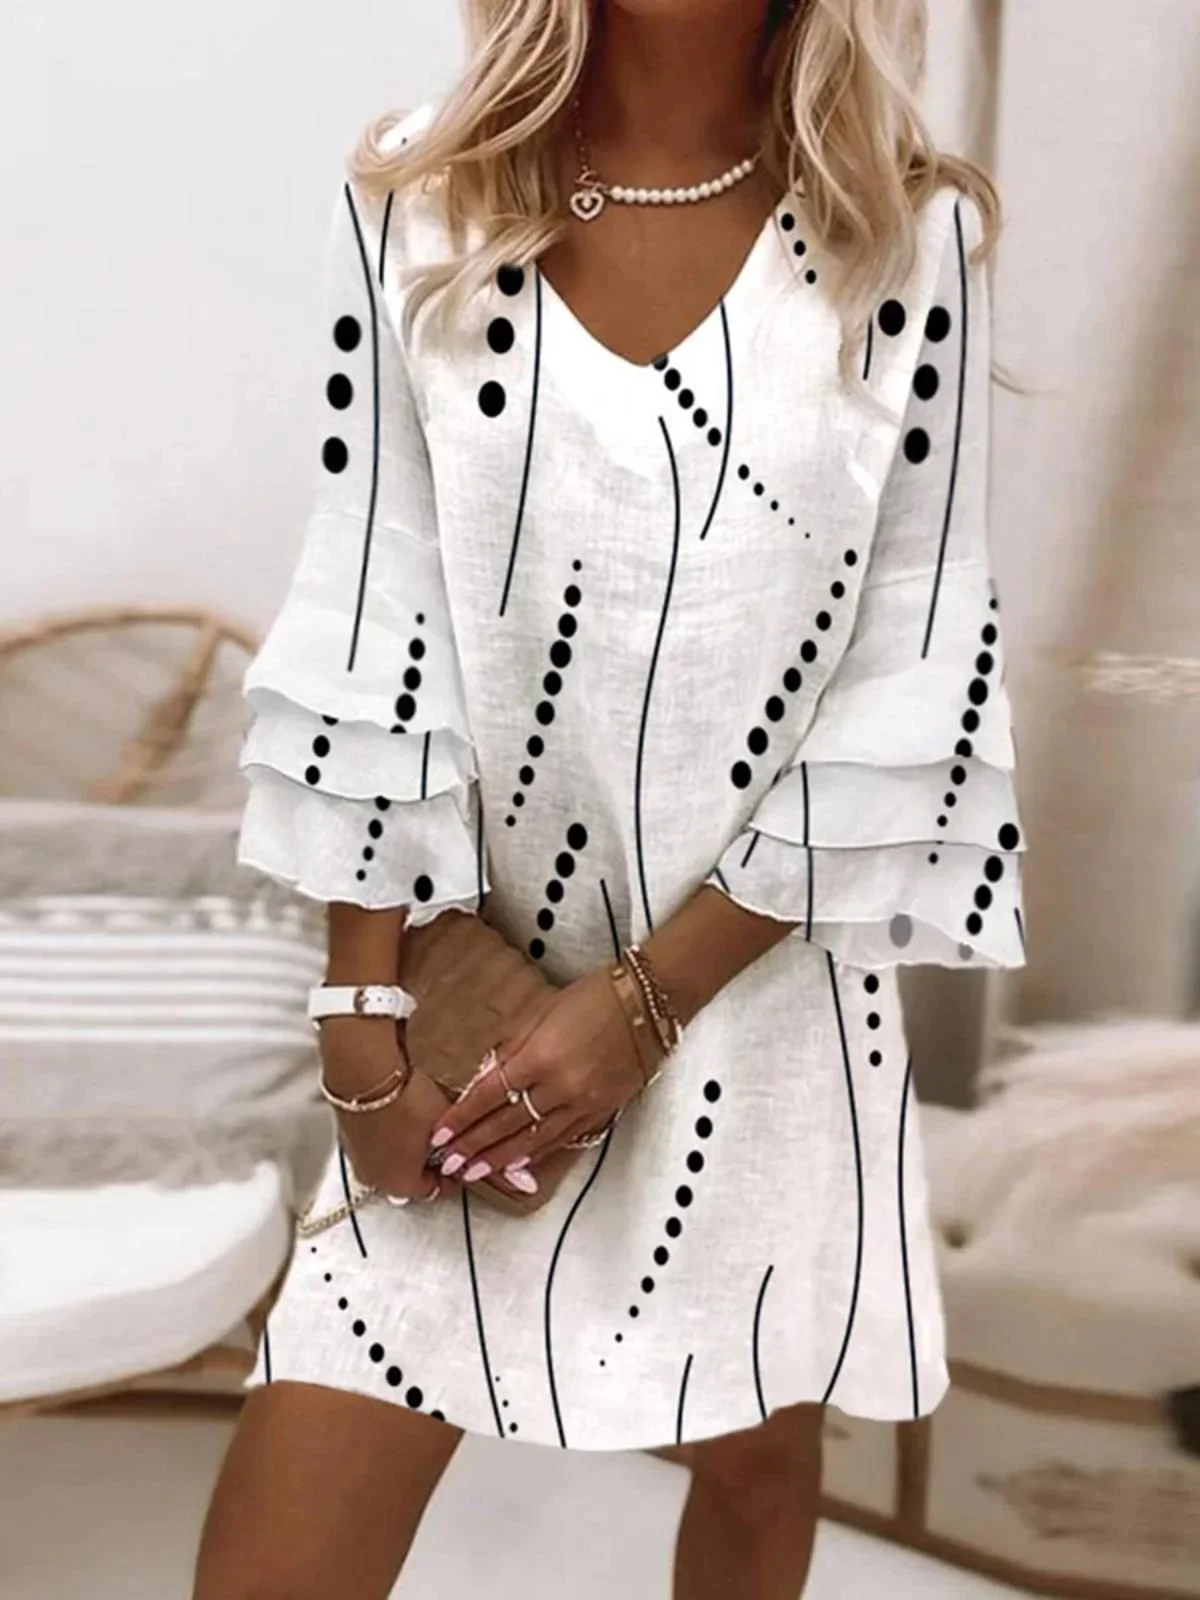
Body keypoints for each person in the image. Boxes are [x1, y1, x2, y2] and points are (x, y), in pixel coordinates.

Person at [194, 1, 1026, 1595]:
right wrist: (360, 1014)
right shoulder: (418, 198)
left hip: (760, 994)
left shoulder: (909, 234)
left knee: (758, 1461)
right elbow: (375, 605)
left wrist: (651, 1003)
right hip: (472, 1003)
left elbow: (917, 660)